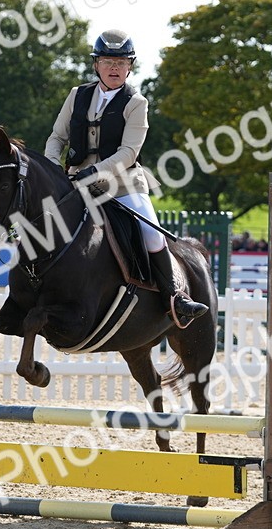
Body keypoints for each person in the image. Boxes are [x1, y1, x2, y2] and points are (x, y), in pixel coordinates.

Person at [44, 29, 208, 320]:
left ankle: (175, 299)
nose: (115, 68)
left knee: (152, 235)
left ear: (130, 66)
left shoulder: (137, 103)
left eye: (121, 62)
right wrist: (51, 168)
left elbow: (129, 153)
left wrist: (94, 172)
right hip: (76, 182)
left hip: (122, 184)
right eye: (108, 61)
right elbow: (57, 137)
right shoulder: (76, 96)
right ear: (96, 65)